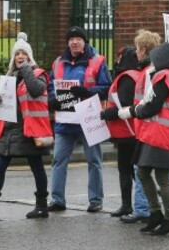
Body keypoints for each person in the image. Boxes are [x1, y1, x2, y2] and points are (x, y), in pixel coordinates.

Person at [0, 33, 53, 220]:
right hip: (10, 129)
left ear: (29, 56)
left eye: (23, 53)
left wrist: (26, 69)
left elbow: (36, 90)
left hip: (30, 129)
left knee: (36, 166)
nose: (20, 56)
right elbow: (9, 104)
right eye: (17, 53)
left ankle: (42, 206)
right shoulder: (10, 78)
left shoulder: (38, 74)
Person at [118, 30, 169, 224]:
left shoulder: (162, 76)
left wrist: (130, 112)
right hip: (157, 132)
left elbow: (151, 105)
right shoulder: (166, 75)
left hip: (159, 133)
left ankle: (168, 218)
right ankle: (159, 215)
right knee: (145, 173)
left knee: (161, 177)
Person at [47, 26, 112, 213]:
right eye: (71, 39)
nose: (74, 42)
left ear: (85, 42)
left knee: (94, 160)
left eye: (78, 39)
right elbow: (51, 86)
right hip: (65, 119)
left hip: (89, 118)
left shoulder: (98, 61)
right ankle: (57, 199)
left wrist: (87, 91)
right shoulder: (58, 62)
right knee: (59, 160)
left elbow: (107, 87)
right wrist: (53, 99)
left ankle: (96, 200)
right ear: (67, 42)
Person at [101, 46, 141, 217]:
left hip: (127, 131)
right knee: (134, 170)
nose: (117, 60)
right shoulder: (137, 74)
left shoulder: (126, 78)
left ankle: (128, 205)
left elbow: (123, 104)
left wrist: (105, 114)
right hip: (134, 129)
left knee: (126, 169)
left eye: (120, 57)